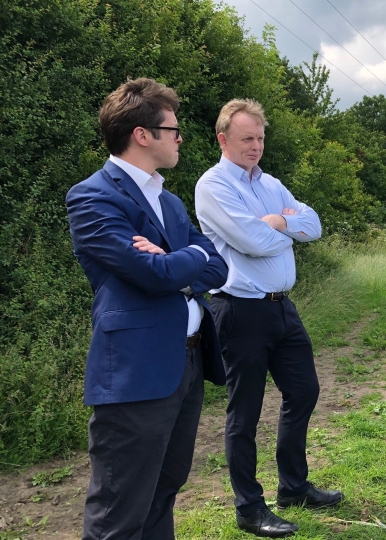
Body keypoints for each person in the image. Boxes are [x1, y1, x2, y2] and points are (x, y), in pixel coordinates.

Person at [65, 78, 229, 540]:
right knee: (120, 505)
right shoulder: (93, 196)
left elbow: (216, 267)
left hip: (189, 361)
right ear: (142, 134)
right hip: (137, 372)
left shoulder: (169, 200)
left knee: (164, 489)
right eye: (173, 129)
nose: (179, 138)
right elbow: (151, 274)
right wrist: (185, 261)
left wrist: (181, 260)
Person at [195, 99, 343, 538]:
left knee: (305, 391)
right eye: (247, 138)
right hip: (240, 309)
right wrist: (283, 230)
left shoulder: (272, 183)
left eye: (260, 138)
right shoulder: (213, 185)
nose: (256, 146)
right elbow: (252, 242)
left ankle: (293, 487)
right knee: (246, 410)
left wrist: (278, 220)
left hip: (283, 307)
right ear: (223, 139)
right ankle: (249, 507)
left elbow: (313, 225)